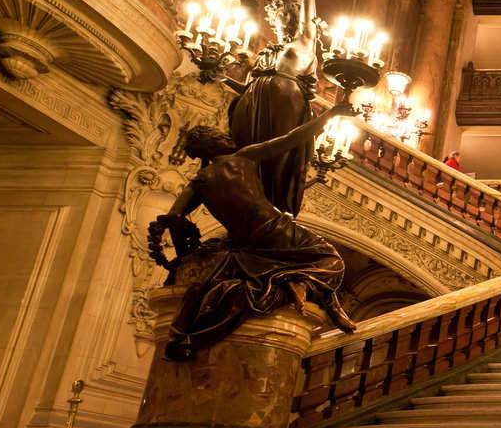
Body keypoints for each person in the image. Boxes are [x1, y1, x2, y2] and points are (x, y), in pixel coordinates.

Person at [150, 104, 358, 361]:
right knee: (333, 261)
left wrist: (182, 253)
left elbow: (174, 217)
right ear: (208, 146)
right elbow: (292, 138)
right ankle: (297, 286)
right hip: (277, 230)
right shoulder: (243, 158)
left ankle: (296, 283)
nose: (227, 137)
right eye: (218, 136)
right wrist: (330, 114)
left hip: (246, 243)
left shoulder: (199, 182)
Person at [227, 0, 321, 216]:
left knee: (279, 152)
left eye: (290, 15)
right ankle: (255, 197)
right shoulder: (270, 52)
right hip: (255, 101)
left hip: (287, 103)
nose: (285, 20)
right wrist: (221, 78)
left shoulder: (304, 43)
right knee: (251, 153)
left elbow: (308, 25)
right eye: (280, 16)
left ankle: (276, 204)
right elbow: (247, 85)